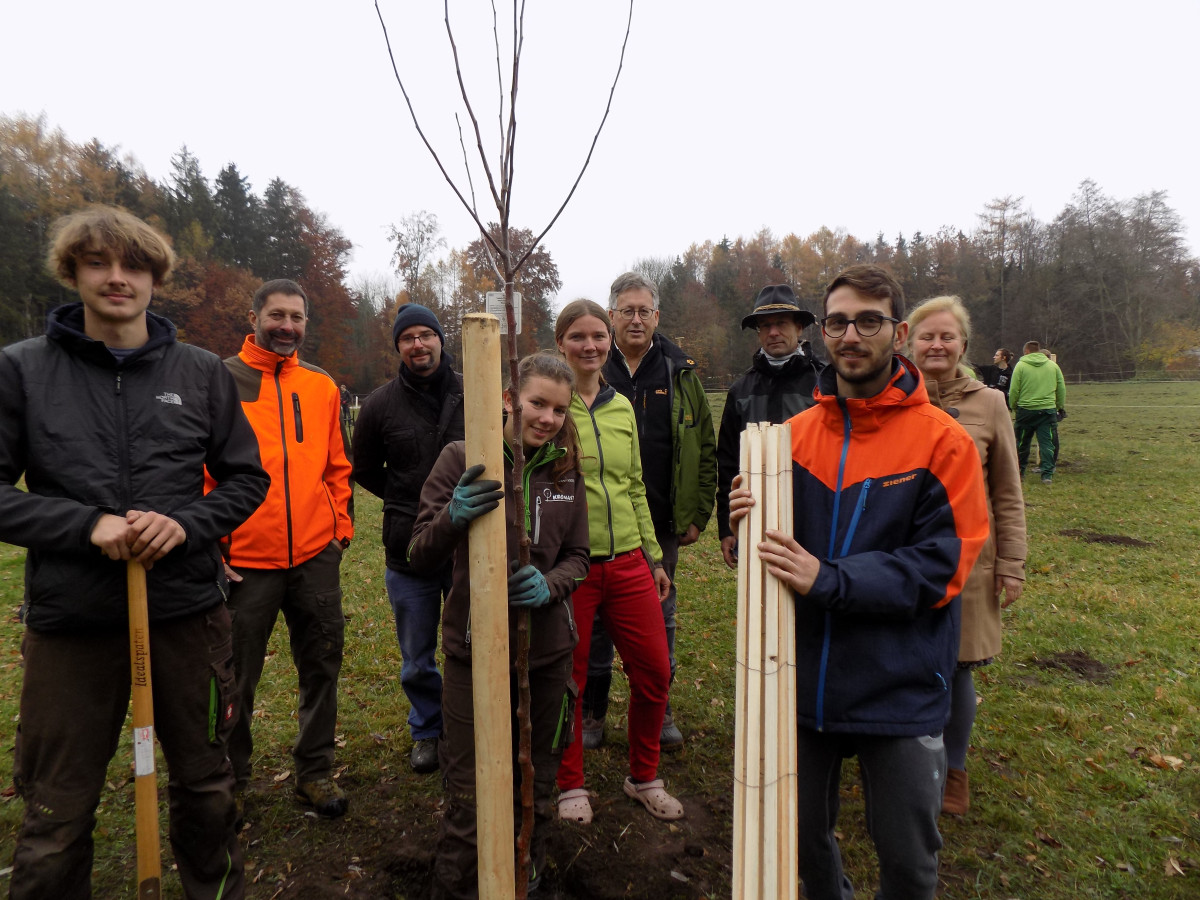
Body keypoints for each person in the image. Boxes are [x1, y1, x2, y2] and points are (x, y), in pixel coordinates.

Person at [0, 206, 269, 898]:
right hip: (72, 622)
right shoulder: (23, 371)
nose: (117, 278)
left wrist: (186, 524)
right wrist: (84, 525)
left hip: (184, 614)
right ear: (72, 271)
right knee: (57, 808)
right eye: (98, 263)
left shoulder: (202, 372)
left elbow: (246, 478)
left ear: (155, 279)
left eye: (134, 266)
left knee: (208, 788)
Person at [729, 264, 988, 900]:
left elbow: (942, 565)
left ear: (897, 333)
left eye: (868, 321)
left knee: (907, 859)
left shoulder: (944, 444)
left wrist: (830, 578)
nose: (852, 334)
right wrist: (750, 511)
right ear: (826, 330)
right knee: (803, 844)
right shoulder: (787, 440)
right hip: (800, 681)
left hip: (898, 686)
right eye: (840, 321)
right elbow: (771, 556)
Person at [409, 353, 589, 899]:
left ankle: (524, 874)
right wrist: (452, 517)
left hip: (548, 653)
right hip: (474, 654)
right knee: (470, 790)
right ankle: (459, 886)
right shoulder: (465, 457)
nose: (548, 418)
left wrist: (550, 584)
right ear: (510, 397)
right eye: (538, 403)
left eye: (559, 409)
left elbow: (579, 555)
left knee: (533, 778)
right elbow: (418, 551)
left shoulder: (566, 469)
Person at [219, 278, 355, 821]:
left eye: (297, 318)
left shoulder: (321, 386)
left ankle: (315, 771)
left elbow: (336, 467)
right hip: (243, 562)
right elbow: (200, 473)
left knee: (322, 665)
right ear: (254, 317)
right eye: (277, 315)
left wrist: (339, 531)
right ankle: (229, 780)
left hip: (315, 557)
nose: (287, 327)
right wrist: (214, 543)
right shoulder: (221, 380)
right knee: (233, 676)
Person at [553, 299, 682, 824]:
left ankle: (644, 775)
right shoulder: (551, 406)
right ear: (560, 342)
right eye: (579, 337)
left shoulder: (620, 405)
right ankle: (569, 783)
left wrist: (652, 554)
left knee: (654, 671)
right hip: (573, 566)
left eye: (598, 337)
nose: (591, 346)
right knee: (571, 678)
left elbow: (631, 487)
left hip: (628, 559)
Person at [583, 272, 717, 751]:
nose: (636, 319)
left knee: (661, 618)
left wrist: (699, 512)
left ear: (657, 317)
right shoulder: (592, 367)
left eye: (645, 311)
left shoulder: (679, 373)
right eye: (626, 310)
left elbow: (704, 444)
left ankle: (659, 710)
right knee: (596, 623)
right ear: (612, 315)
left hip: (660, 525)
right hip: (597, 528)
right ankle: (592, 712)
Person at [907, 296, 1027, 816]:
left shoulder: (990, 404)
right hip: (905, 558)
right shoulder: (895, 398)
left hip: (970, 564)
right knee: (907, 663)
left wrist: (1012, 562)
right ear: (907, 342)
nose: (936, 345)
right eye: (926, 336)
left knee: (957, 671)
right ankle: (907, 761)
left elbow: (1007, 490)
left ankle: (953, 769)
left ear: (963, 344)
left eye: (946, 337)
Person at [353, 303, 465, 773]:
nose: (417, 344)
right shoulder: (380, 404)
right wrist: (410, 501)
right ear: (398, 346)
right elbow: (363, 469)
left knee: (471, 643)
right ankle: (427, 729)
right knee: (417, 655)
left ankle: (468, 726)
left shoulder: (475, 392)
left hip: (467, 544)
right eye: (407, 338)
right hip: (409, 550)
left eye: (425, 334)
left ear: (441, 339)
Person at [716, 283, 822, 570]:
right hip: (756, 516)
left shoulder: (825, 384)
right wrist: (727, 526)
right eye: (765, 325)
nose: (773, 332)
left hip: (814, 515)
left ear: (799, 328)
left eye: (781, 323)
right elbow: (727, 463)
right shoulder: (741, 390)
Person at [1008, 340, 1066, 484]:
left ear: (1026, 351)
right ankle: (1047, 474)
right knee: (1047, 443)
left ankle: (1020, 472)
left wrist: (1014, 405)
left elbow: (1014, 389)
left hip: (1025, 411)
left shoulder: (1021, 366)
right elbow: (1061, 388)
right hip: (1047, 411)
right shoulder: (1053, 366)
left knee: (1022, 443)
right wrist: (1059, 406)